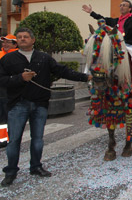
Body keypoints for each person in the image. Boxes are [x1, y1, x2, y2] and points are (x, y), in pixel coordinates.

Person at [0, 28, 89, 186]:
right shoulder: (8, 59)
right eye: (19, 37)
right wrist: (19, 78)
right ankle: (11, 171)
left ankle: (36, 167)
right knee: (13, 141)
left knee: (38, 139)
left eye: (26, 37)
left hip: (40, 104)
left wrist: (85, 77)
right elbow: (2, 80)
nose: (22, 39)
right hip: (17, 105)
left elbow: (62, 71)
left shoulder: (43, 57)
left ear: (33, 40)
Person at [0, 36, 18, 149]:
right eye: (3, 42)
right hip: (1, 91)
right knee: (2, 118)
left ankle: (12, 138)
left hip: (11, 91)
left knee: (10, 116)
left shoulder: (17, 56)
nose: (5, 44)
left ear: (15, 44)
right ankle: (3, 139)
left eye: (8, 42)